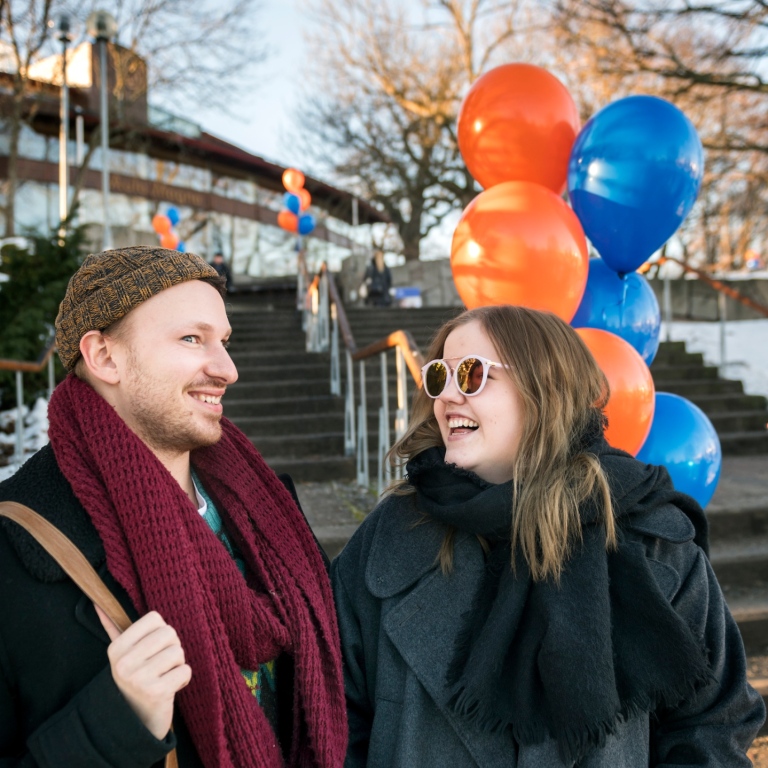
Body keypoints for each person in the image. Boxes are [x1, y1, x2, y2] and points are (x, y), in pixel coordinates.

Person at [332, 304, 765, 767]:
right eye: (439, 376)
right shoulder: (392, 532)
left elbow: (711, 722)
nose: (448, 396)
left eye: (473, 374)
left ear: (544, 388)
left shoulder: (649, 536)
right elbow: (334, 714)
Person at [0, 246, 347, 767]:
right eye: (191, 339)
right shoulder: (16, 544)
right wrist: (117, 722)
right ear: (104, 357)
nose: (227, 369)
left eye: (224, 342)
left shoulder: (267, 509)